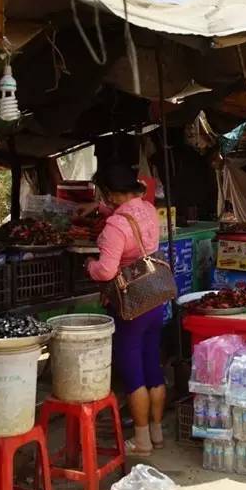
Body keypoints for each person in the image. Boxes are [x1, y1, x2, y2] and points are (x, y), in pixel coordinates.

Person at [76, 166, 167, 456]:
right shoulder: (148, 209)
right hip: (155, 295)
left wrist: (87, 265)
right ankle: (156, 432)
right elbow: (131, 218)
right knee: (153, 364)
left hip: (131, 303)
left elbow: (105, 271)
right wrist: (101, 207)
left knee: (133, 371)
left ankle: (141, 442)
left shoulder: (116, 225)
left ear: (111, 193)